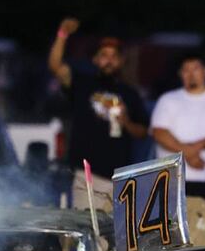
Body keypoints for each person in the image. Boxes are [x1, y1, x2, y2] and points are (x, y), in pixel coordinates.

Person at [48, 18, 148, 208]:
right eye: (104, 55)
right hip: (87, 176)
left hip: (120, 179)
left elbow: (142, 132)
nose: (109, 60)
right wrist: (62, 34)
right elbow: (55, 66)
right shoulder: (83, 83)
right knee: (87, 232)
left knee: (115, 236)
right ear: (95, 59)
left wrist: (126, 121)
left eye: (114, 56)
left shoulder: (130, 93)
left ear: (120, 61)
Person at [149, 52, 205, 201]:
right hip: (172, 180)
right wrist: (188, 153)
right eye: (186, 70)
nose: (191, 74)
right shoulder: (167, 100)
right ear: (180, 74)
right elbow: (159, 133)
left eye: (195, 69)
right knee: (174, 224)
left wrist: (198, 146)